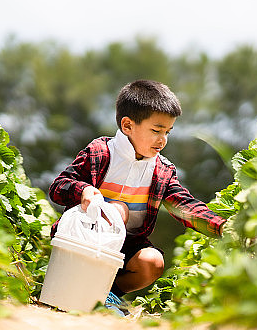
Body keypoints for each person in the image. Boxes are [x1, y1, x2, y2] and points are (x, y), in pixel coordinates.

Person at [48, 79, 226, 315]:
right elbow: (58, 187)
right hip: (85, 237)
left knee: (153, 262)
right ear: (128, 125)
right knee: (119, 210)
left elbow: (185, 206)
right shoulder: (101, 153)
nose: (162, 140)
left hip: (126, 246)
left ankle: (106, 295)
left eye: (167, 132)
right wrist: (83, 191)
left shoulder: (161, 171)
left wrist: (223, 227)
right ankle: (74, 286)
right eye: (156, 130)